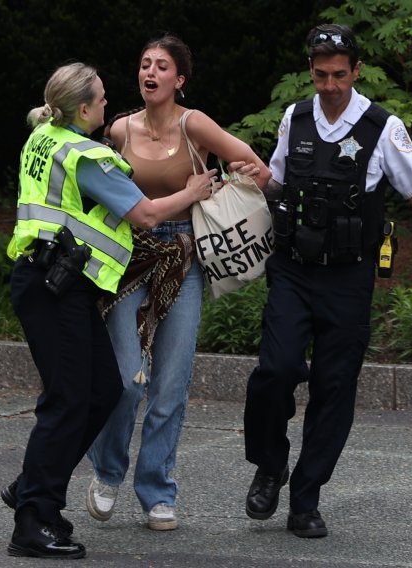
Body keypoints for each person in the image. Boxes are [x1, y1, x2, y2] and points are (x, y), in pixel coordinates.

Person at [4, 61, 215, 559]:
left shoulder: (44, 135)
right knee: (68, 399)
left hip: (57, 284)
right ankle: (33, 520)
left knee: (102, 390)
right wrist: (193, 191)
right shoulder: (86, 157)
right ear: (82, 109)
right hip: (54, 287)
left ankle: (34, 481)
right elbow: (144, 212)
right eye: (99, 99)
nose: (107, 104)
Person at [243, 24, 412, 539]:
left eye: (338, 74)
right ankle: (270, 465)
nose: (329, 85)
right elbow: (277, 183)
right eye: (319, 74)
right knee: (275, 369)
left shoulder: (383, 127)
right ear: (310, 71)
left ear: (356, 71)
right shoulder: (296, 117)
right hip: (292, 268)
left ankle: (305, 500)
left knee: (335, 388)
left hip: (348, 278)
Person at [84, 34, 271, 531]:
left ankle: (157, 492)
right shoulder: (119, 129)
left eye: (161, 66)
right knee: (125, 380)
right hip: (127, 259)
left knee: (170, 384)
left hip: (184, 260)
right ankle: (106, 473)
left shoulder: (195, 124)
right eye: (144, 64)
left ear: (179, 79)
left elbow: (254, 163)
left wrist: (235, 180)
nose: (150, 72)